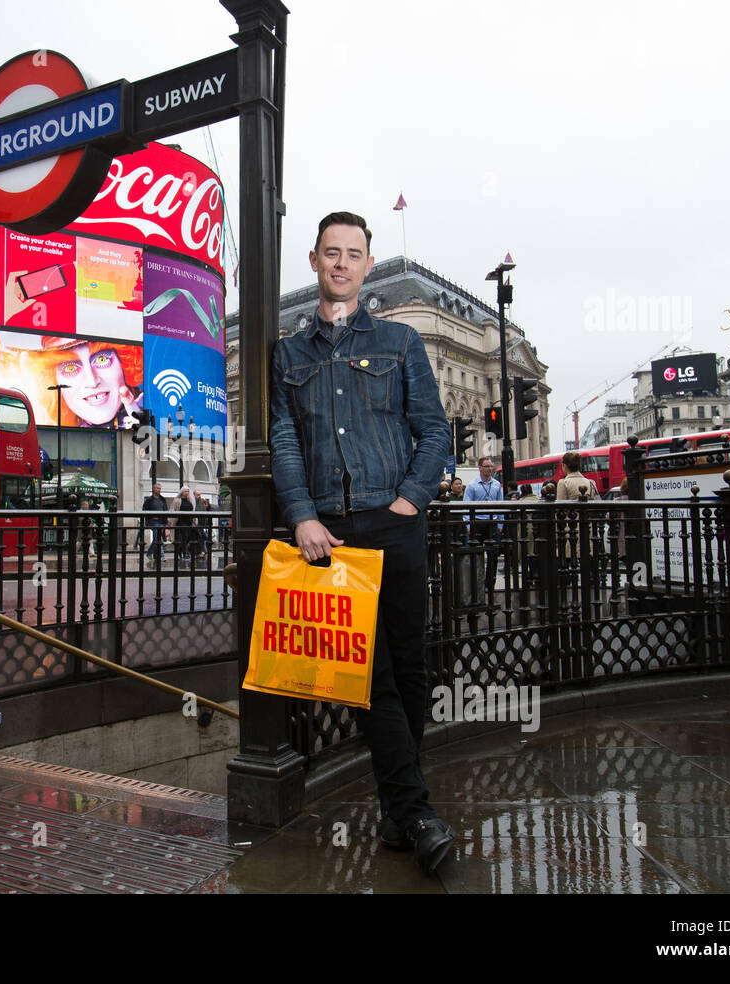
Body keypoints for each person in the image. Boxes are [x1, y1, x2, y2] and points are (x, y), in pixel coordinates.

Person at [270, 210, 454, 874]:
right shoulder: (289, 354)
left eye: (353, 253)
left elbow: (435, 430)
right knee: (370, 678)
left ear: (367, 266)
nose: (342, 263)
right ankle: (420, 813)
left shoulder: (402, 341)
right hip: (331, 535)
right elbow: (285, 442)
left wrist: (410, 500)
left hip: (396, 521)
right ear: (314, 262)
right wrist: (300, 514)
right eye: (331, 253)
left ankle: (398, 813)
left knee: (409, 672)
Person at [464, 457, 505, 595]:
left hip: (492, 523)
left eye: (491, 466)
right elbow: (466, 507)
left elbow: (501, 505)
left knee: (493, 555)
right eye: (486, 466)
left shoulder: (496, 485)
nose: (489, 469)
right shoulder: (472, 485)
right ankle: (476, 583)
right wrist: (468, 525)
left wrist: (500, 524)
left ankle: (489, 585)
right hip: (477, 522)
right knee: (476, 555)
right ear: (480, 468)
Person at [142, 483, 169, 565]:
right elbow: (144, 510)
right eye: (157, 488)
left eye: (160, 488)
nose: (159, 490)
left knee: (155, 539)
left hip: (161, 521)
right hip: (153, 521)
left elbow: (165, 510)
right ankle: (162, 556)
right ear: (153, 489)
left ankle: (149, 553)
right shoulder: (149, 500)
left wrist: (166, 521)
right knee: (158, 539)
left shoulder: (162, 499)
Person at [174, 487, 195, 561]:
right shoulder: (177, 500)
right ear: (182, 492)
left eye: (188, 491)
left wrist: (194, 521)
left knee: (187, 538)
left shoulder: (190, 501)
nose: (187, 493)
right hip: (181, 522)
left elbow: (193, 511)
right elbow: (174, 510)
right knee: (184, 538)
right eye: (185, 491)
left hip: (189, 522)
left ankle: (179, 552)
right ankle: (185, 553)